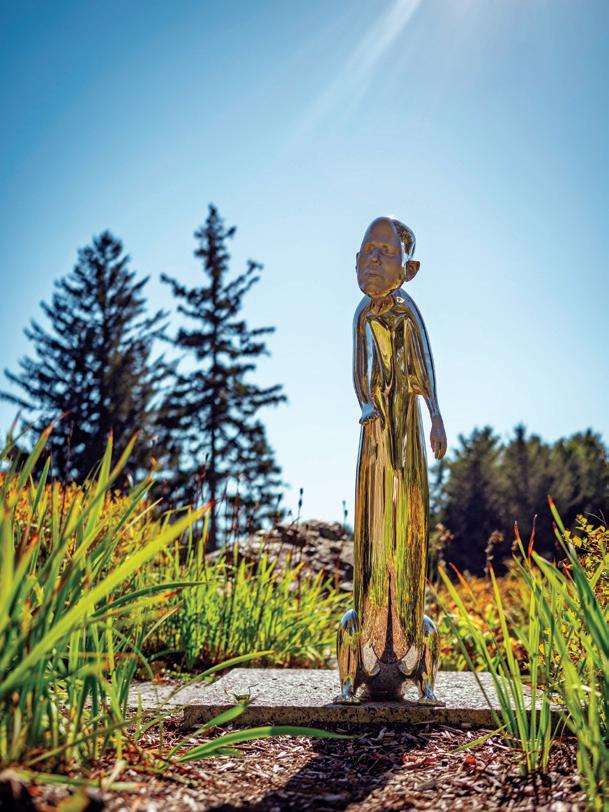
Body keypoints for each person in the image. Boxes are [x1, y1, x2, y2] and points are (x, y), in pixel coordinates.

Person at [334, 216, 447, 705]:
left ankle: (417, 668)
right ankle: (355, 671)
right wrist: (365, 403)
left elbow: (424, 363)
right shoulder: (363, 313)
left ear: (409, 269)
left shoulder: (406, 310)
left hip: (405, 432)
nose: (372, 259)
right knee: (374, 526)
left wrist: (435, 415)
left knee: (407, 524)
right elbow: (359, 367)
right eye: (367, 250)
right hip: (375, 430)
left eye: (384, 252)